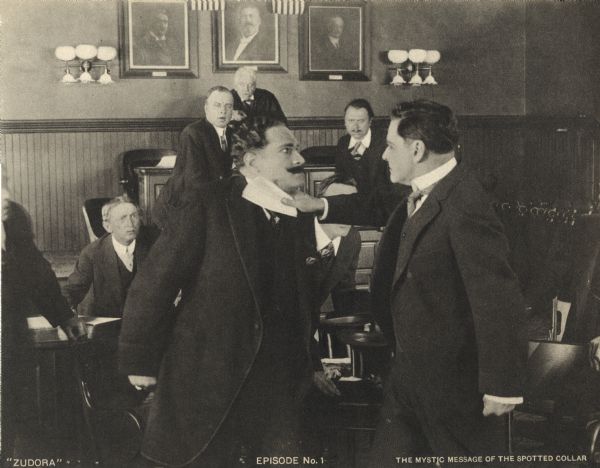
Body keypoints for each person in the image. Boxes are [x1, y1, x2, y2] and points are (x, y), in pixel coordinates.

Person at [284, 100, 527, 464]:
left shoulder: (465, 202)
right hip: (408, 375)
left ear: (417, 149)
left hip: (452, 386)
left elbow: (498, 296)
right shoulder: (421, 189)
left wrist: (502, 387)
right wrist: (321, 207)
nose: (382, 155)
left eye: (391, 146)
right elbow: (378, 206)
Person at [119, 117, 325, 467]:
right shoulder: (208, 202)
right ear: (251, 161)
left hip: (275, 385)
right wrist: (139, 361)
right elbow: (155, 282)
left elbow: (298, 304)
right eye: (287, 149)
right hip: (208, 381)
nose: (300, 159)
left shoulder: (295, 213)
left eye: (298, 149)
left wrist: (312, 363)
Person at [1, 175, 86, 457]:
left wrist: (65, 316)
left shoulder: (13, 219)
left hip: (11, 347)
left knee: (13, 426)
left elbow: (37, 273)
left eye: (5, 183)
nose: (5, 194)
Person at [153, 86, 234, 227]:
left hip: (213, 203)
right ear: (206, 108)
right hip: (184, 208)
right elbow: (195, 181)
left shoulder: (233, 134)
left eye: (228, 106)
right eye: (217, 105)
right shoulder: (193, 133)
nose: (223, 111)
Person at [63, 196, 155, 317]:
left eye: (134, 216)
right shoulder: (92, 253)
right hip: (107, 320)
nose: (130, 223)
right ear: (108, 226)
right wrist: (67, 317)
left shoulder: (155, 244)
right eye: (122, 218)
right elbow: (71, 291)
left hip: (144, 319)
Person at [336, 99, 399, 198]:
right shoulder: (343, 143)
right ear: (345, 122)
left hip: (381, 203)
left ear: (370, 121)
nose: (355, 126)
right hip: (350, 201)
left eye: (361, 121)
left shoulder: (384, 142)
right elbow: (340, 176)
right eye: (351, 120)